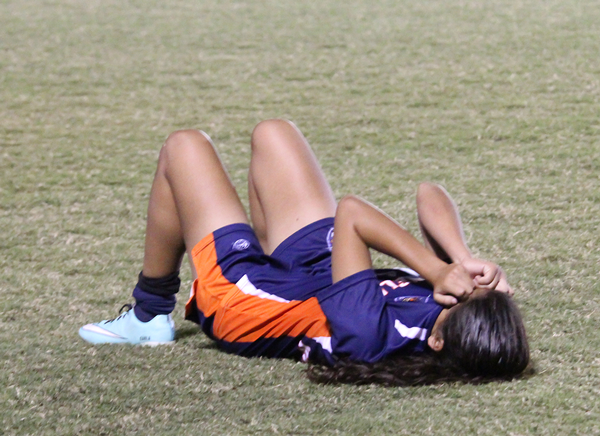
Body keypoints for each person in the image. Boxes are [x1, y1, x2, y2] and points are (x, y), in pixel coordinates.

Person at [79, 119, 530, 386]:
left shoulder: (369, 336)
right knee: (275, 133)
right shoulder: (468, 324)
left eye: (464, 299)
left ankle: (148, 316)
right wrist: (461, 259)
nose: (465, 292)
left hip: (252, 300)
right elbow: (428, 194)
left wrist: (435, 269)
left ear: (436, 341)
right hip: (321, 272)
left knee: (185, 146)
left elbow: (351, 213)